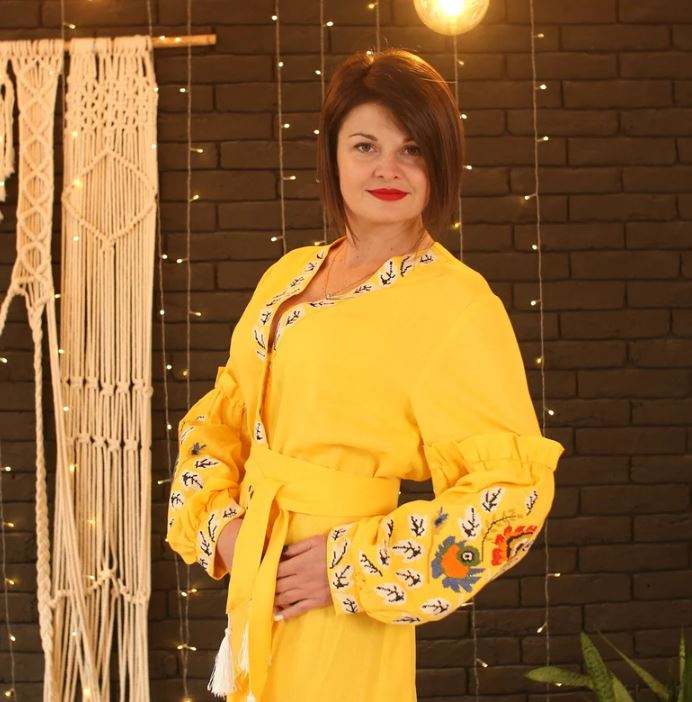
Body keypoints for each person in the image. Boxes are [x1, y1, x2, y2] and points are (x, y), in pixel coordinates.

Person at [165, 48, 565, 702]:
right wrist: (221, 525)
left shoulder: (458, 304)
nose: (387, 168)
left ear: (441, 164)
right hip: (257, 579)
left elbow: (513, 492)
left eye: (413, 150)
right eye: (365, 146)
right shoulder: (289, 274)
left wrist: (350, 567)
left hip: (336, 603)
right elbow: (225, 413)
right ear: (333, 156)